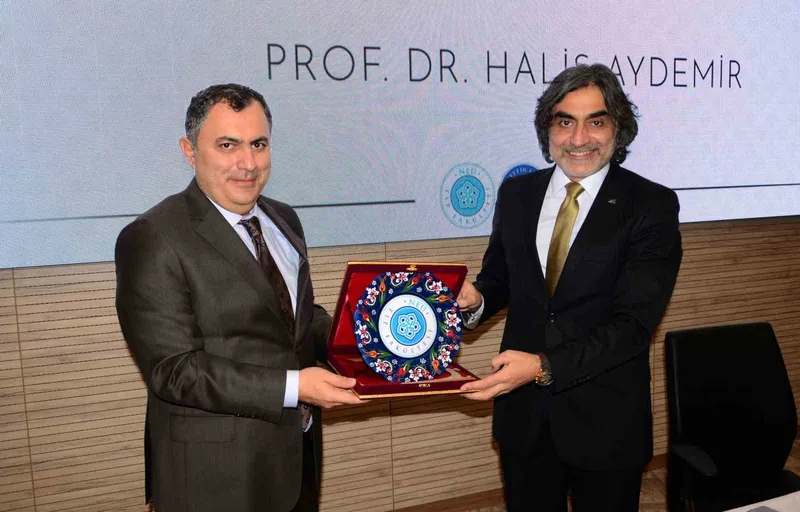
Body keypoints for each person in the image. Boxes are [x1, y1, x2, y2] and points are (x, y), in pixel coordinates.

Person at [115, 83, 363, 512]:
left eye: (258, 144)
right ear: (190, 151)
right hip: (213, 477)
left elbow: (294, 320)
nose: (248, 163)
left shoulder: (284, 218)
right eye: (228, 145)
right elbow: (174, 370)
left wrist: (361, 335)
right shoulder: (153, 237)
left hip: (297, 461)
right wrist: (295, 386)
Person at [457, 64, 682, 512]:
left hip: (606, 422)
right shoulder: (517, 194)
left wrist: (542, 366)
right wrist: (476, 299)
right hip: (524, 418)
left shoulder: (651, 204)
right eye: (565, 122)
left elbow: (633, 326)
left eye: (596, 122)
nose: (579, 138)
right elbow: (500, 278)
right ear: (548, 130)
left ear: (618, 129)